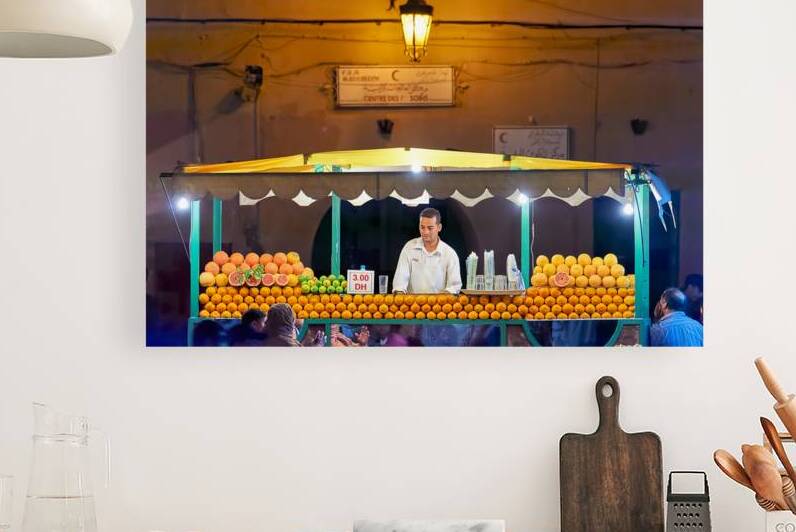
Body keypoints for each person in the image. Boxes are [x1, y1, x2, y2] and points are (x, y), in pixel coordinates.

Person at [392, 207, 462, 294]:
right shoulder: (409, 248)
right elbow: (400, 281)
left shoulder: (449, 253)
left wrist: (442, 298)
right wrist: (399, 294)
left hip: (440, 302)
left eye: (430, 228)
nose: (425, 232)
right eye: (422, 227)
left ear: (439, 227)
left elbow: (454, 287)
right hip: (412, 302)